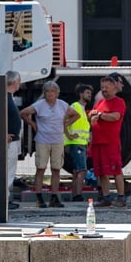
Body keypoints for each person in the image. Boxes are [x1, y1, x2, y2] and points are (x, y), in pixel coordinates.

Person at [20, 80, 78, 208]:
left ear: (57, 93)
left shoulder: (62, 105)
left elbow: (76, 115)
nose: (50, 94)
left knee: (56, 169)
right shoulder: (40, 104)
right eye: (47, 91)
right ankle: (39, 197)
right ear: (44, 93)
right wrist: (33, 125)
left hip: (57, 141)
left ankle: (54, 197)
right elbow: (23, 113)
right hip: (43, 140)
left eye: (52, 91)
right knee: (41, 168)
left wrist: (65, 125)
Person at [89, 73, 128, 208]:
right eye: (102, 87)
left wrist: (100, 115)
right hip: (97, 142)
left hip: (110, 142)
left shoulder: (119, 102)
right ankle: (106, 198)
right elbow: (92, 114)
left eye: (106, 87)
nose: (104, 90)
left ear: (114, 87)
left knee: (116, 170)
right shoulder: (100, 102)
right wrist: (92, 115)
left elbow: (115, 116)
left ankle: (121, 197)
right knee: (101, 172)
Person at [63, 83, 93, 201]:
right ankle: (78, 195)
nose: (90, 95)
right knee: (82, 170)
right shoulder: (75, 106)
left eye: (90, 93)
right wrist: (68, 135)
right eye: (87, 93)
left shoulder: (82, 109)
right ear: (81, 94)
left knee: (76, 170)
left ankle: (75, 194)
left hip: (80, 143)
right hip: (76, 143)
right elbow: (64, 121)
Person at [5, 71, 23, 210]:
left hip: (12, 140)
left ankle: (6, 199)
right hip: (8, 142)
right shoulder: (5, 98)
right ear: (14, 82)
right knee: (8, 172)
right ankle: (5, 201)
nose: (20, 84)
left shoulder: (8, 97)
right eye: (19, 81)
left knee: (9, 171)